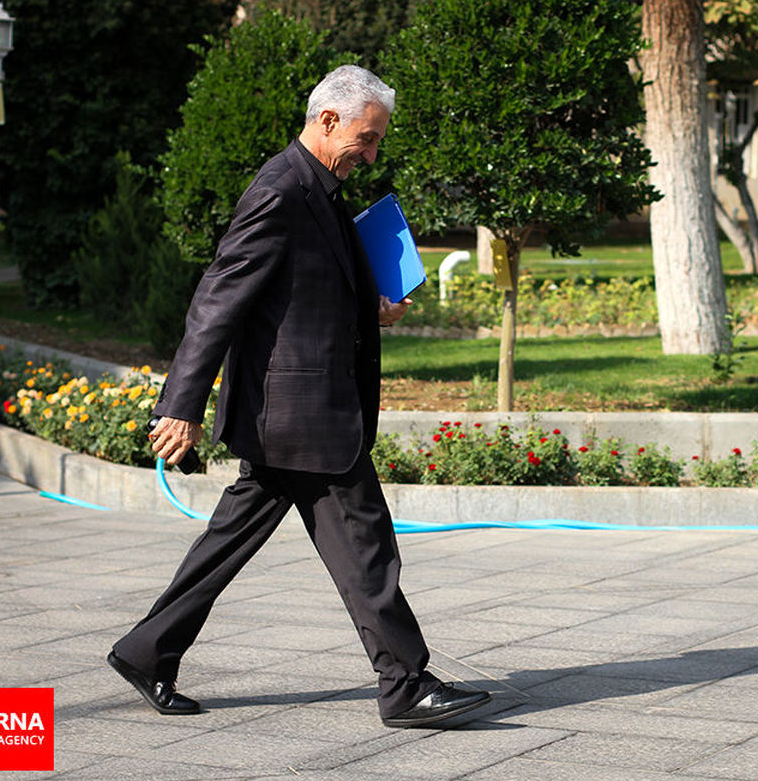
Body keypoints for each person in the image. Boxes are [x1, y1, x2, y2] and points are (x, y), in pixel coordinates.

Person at [106, 65, 490, 729]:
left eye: (376, 143)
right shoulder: (281, 190)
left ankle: (147, 651)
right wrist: (179, 404)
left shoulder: (324, 188)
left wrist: (371, 306)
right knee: (366, 544)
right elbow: (217, 302)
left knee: (232, 541)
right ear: (329, 120)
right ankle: (403, 684)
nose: (370, 155)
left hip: (295, 411)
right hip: (304, 414)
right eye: (366, 140)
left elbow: (306, 294)